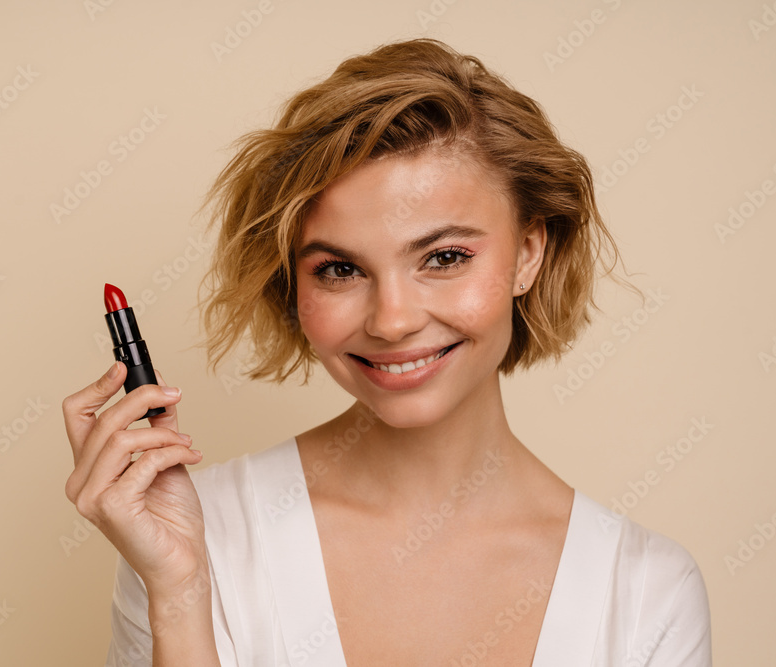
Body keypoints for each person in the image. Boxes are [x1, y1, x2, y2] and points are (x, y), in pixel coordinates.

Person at [63, 38, 712, 666]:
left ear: (529, 252)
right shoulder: (194, 536)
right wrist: (177, 590)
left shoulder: (646, 591)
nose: (394, 320)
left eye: (444, 257)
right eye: (340, 270)